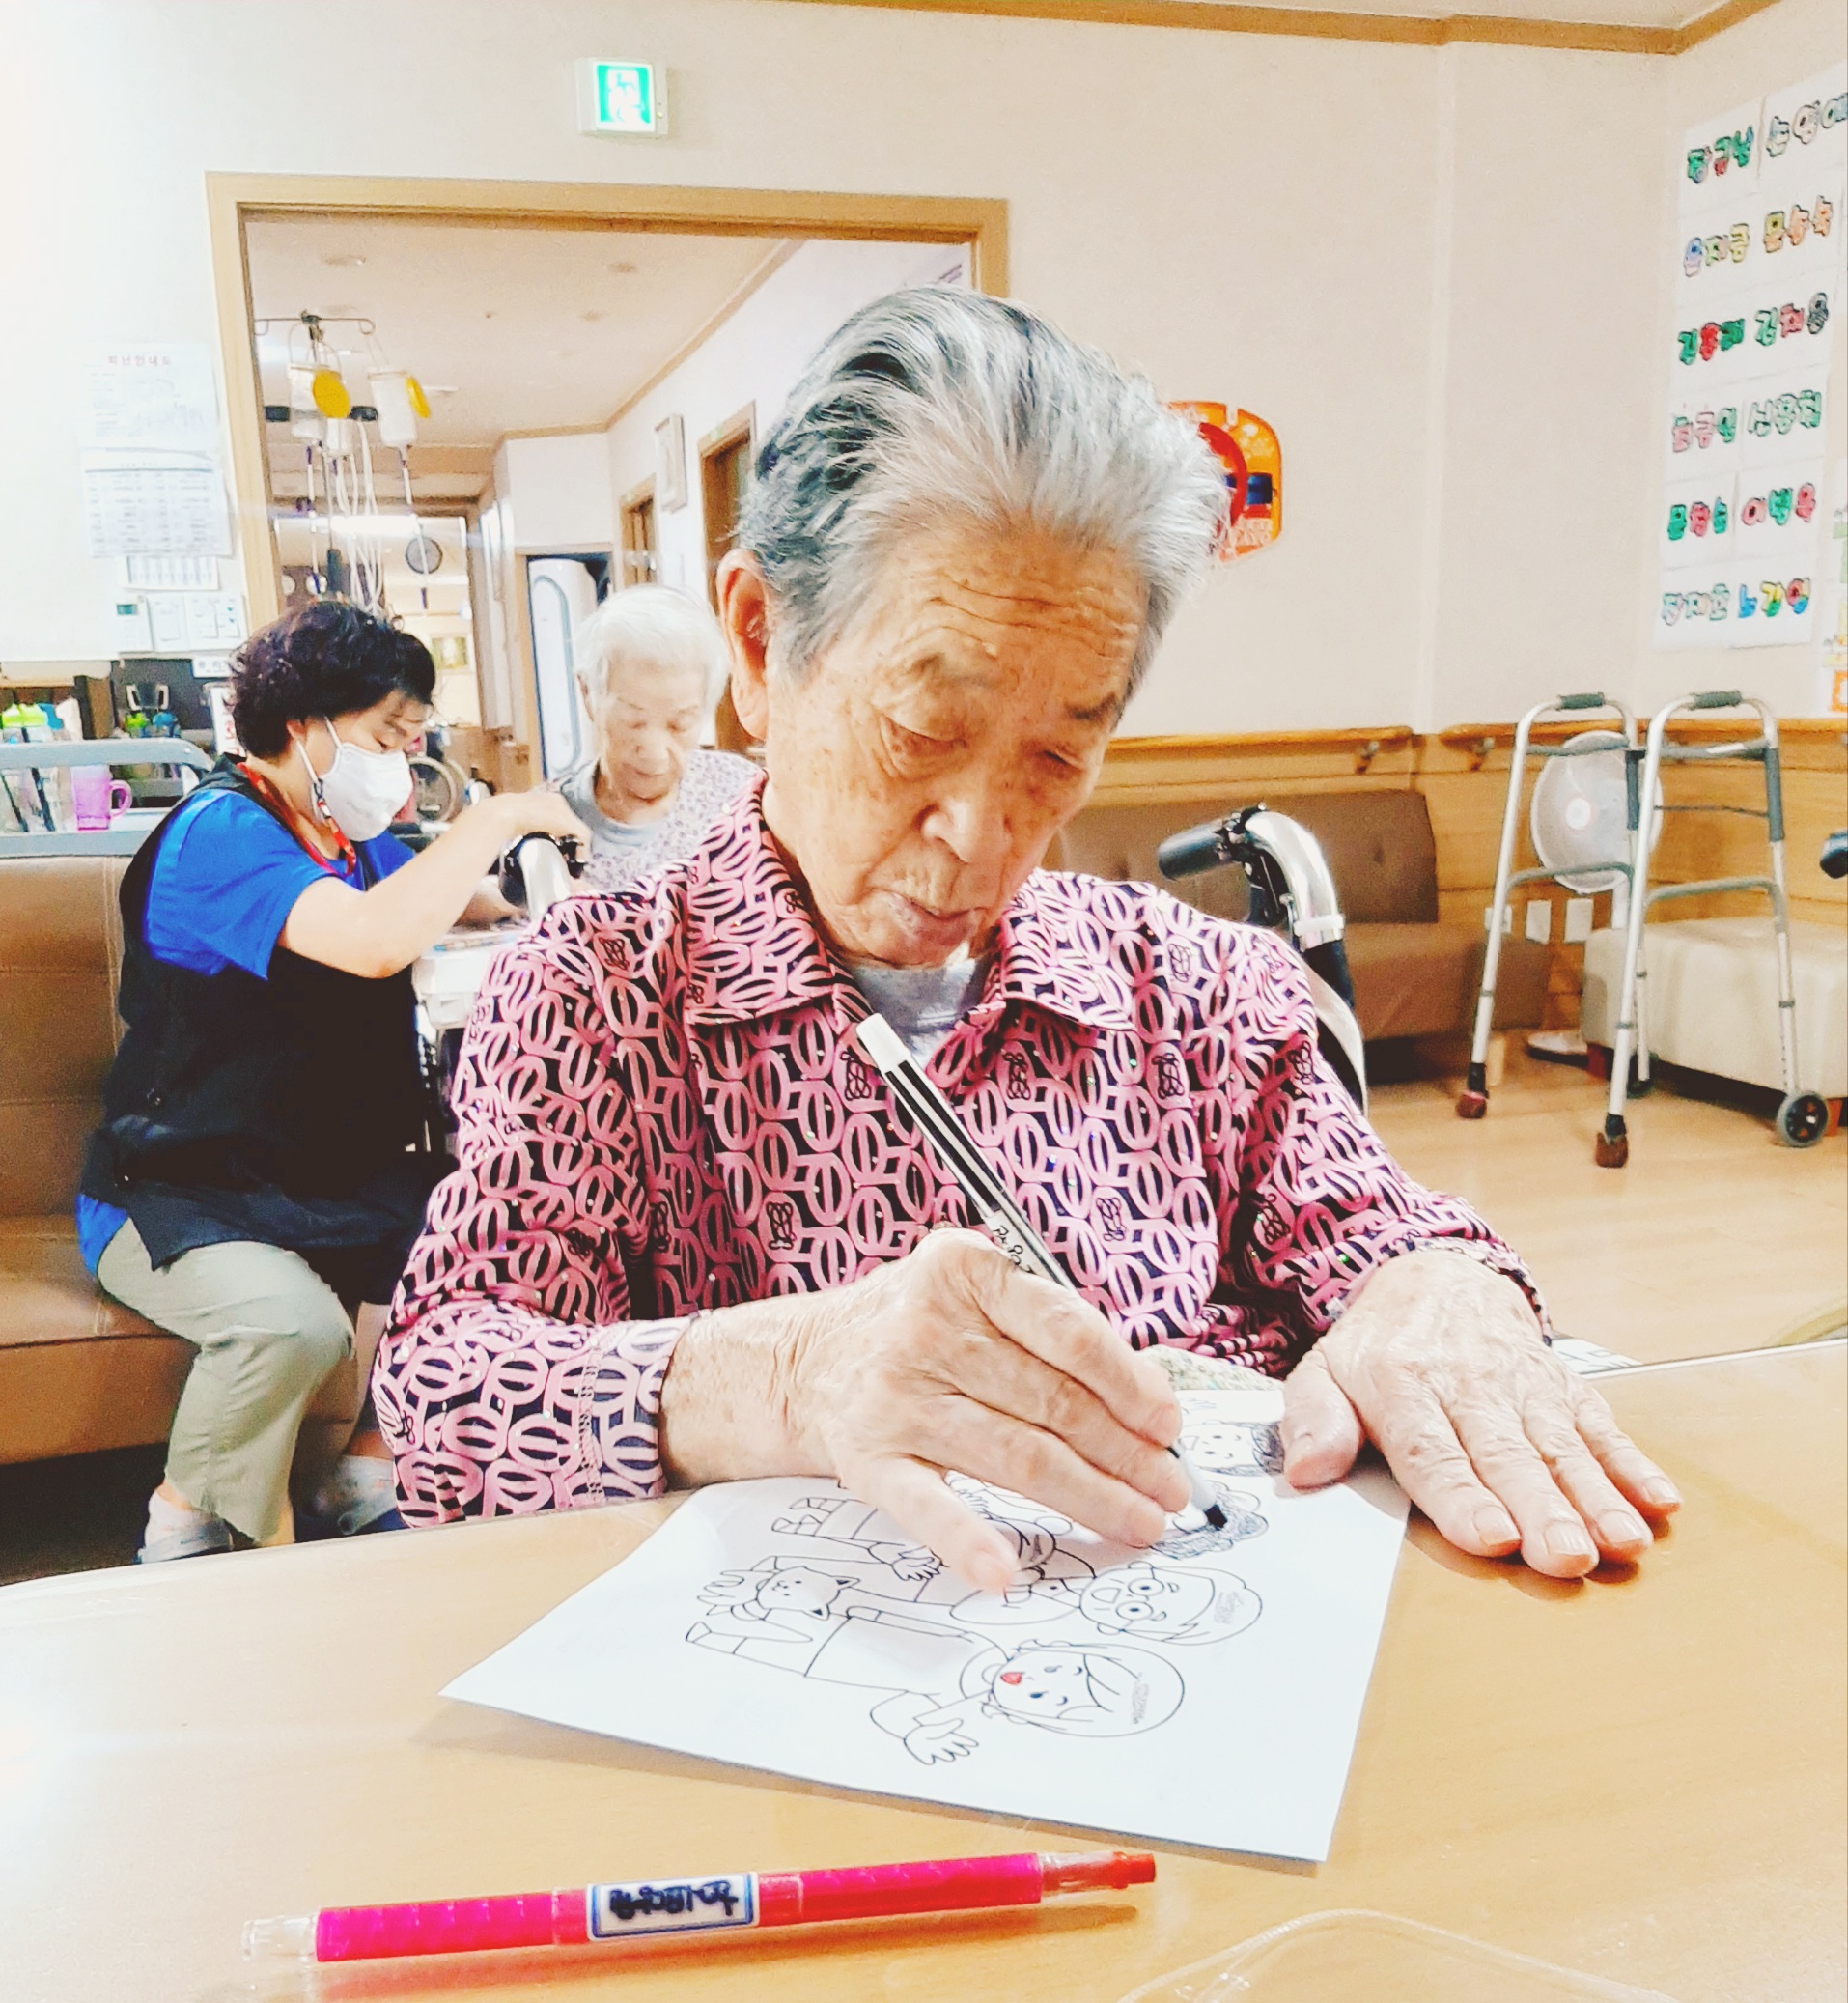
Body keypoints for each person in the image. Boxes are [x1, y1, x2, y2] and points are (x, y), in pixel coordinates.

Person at [376, 290, 1680, 1591]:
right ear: (762, 645)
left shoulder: (1200, 986)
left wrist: (1437, 1291)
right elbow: (442, 1401)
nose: (982, 837)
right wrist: (783, 1373)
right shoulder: (597, 995)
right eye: (922, 732)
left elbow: (1383, 1233)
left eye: (1058, 755)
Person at [77, 601, 585, 1561]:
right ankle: (184, 1526)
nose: (403, 759)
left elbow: (438, 895)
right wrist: (495, 816)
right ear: (303, 725)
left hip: (302, 1174)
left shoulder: (336, 837)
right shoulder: (220, 835)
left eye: (413, 738)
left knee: (492, 1238)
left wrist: (530, 883)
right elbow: (373, 936)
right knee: (294, 1328)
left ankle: (363, 1475)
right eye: (387, 737)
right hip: (174, 1186)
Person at [552, 585, 756, 891]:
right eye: (633, 722)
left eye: (679, 725)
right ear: (588, 695)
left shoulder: (741, 793)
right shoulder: (544, 823)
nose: (655, 752)